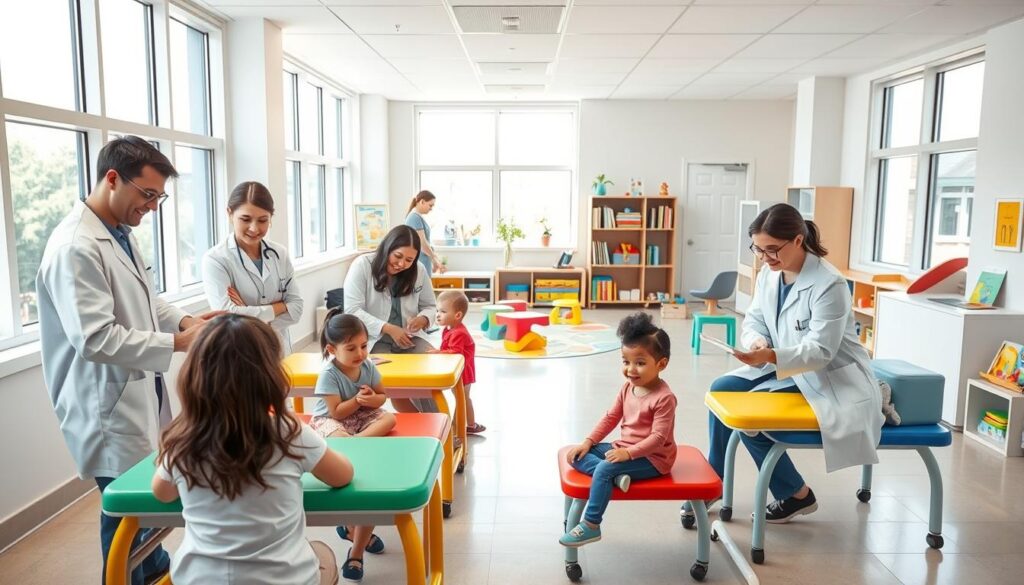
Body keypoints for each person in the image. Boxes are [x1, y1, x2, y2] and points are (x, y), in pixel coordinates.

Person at [36, 136, 220, 585]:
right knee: (126, 517)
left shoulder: (118, 234)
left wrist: (185, 322)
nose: (153, 207)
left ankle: (151, 574)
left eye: (160, 197)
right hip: (105, 408)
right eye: (148, 194)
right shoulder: (76, 247)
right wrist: (178, 345)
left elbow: (147, 302)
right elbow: (95, 339)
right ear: (113, 179)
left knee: (142, 515)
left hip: (134, 394)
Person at [706, 202, 883, 524]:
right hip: (788, 369)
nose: (765, 258)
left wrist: (772, 355)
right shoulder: (770, 276)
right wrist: (757, 342)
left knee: (751, 414)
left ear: (798, 241)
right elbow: (755, 320)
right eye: (758, 250)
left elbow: (820, 352)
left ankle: (795, 494)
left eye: (772, 250)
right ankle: (713, 482)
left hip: (830, 378)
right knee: (721, 389)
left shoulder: (830, 284)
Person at [151, 314, 353, 585]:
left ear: (194, 376)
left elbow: (162, 493)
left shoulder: (184, 439)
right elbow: (343, 475)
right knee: (323, 555)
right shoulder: (288, 431)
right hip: (286, 579)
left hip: (199, 579)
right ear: (269, 374)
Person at [559, 313, 677, 547]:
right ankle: (617, 477)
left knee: (603, 468)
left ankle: (591, 524)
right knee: (576, 455)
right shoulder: (627, 388)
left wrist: (628, 454)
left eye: (640, 363)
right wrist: (587, 441)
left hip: (653, 458)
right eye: (626, 361)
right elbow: (611, 417)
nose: (631, 369)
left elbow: (658, 438)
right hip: (624, 449)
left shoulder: (664, 398)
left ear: (661, 364)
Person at [310, 309, 396, 582]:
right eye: (351, 348)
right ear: (332, 349)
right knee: (339, 439)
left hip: (360, 417)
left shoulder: (368, 365)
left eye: (363, 346)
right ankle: (353, 535)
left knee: (390, 418)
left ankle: (359, 443)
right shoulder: (329, 373)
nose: (360, 353)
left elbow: (382, 396)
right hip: (333, 417)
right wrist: (359, 401)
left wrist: (373, 399)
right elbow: (335, 413)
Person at [343, 225, 437, 413]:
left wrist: (423, 319)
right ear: (388, 248)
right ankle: (417, 426)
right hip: (374, 340)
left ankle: (438, 424)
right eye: (398, 256)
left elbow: (430, 306)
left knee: (430, 374)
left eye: (409, 260)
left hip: (409, 338)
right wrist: (388, 328)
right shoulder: (362, 265)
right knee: (392, 383)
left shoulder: (418, 270)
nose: (402, 264)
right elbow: (352, 310)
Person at [202, 181, 302, 354]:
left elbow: (297, 308)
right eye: (245, 219)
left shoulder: (279, 253)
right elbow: (227, 315)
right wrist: (279, 307)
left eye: (263, 220)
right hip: (239, 351)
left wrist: (245, 314)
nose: (254, 228)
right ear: (230, 214)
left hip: (279, 350)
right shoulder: (216, 259)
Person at [429, 291, 482, 434]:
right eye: (437, 310)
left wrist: (438, 353)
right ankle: (463, 423)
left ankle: (469, 425)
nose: (438, 314)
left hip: (463, 372)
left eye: (443, 311)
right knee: (461, 398)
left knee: (463, 398)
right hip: (459, 369)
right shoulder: (449, 329)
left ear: (457, 315)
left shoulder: (458, 333)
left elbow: (455, 352)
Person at [404, 190, 445, 274]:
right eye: (430, 205)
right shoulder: (414, 218)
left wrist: (433, 259)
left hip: (423, 260)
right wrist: (434, 259)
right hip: (420, 261)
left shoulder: (417, 217)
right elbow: (422, 243)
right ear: (422, 202)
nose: (431, 209)